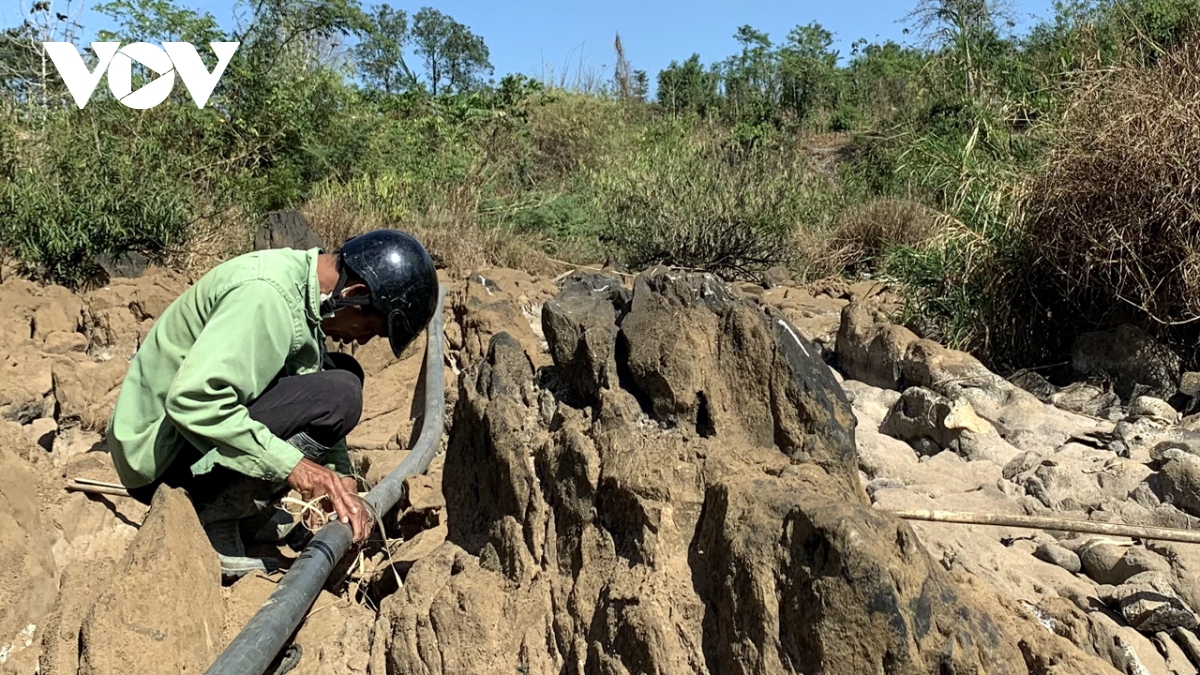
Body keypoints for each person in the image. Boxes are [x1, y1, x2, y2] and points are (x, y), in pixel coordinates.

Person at [105, 229, 440, 579]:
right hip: (157, 461)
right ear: (354, 294)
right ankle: (212, 514)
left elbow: (308, 373)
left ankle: (244, 514)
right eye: (372, 329)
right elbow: (194, 400)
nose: (364, 339)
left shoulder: (303, 288)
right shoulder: (266, 296)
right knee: (339, 393)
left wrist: (341, 475)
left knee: (341, 373)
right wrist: (298, 469)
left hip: (179, 446)